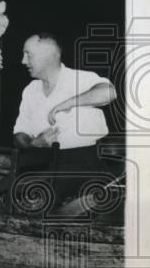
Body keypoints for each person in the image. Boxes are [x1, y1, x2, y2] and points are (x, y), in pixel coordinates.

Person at [13, 32, 117, 203]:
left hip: (86, 165)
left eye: (28, 55)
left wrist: (67, 103)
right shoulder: (30, 90)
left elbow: (109, 92)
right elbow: (19, 135)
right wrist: (34, 143)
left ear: (47, 55)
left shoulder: (81, 78)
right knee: (20, 192)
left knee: (37, 196)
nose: (23, 61)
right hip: (45, 164)